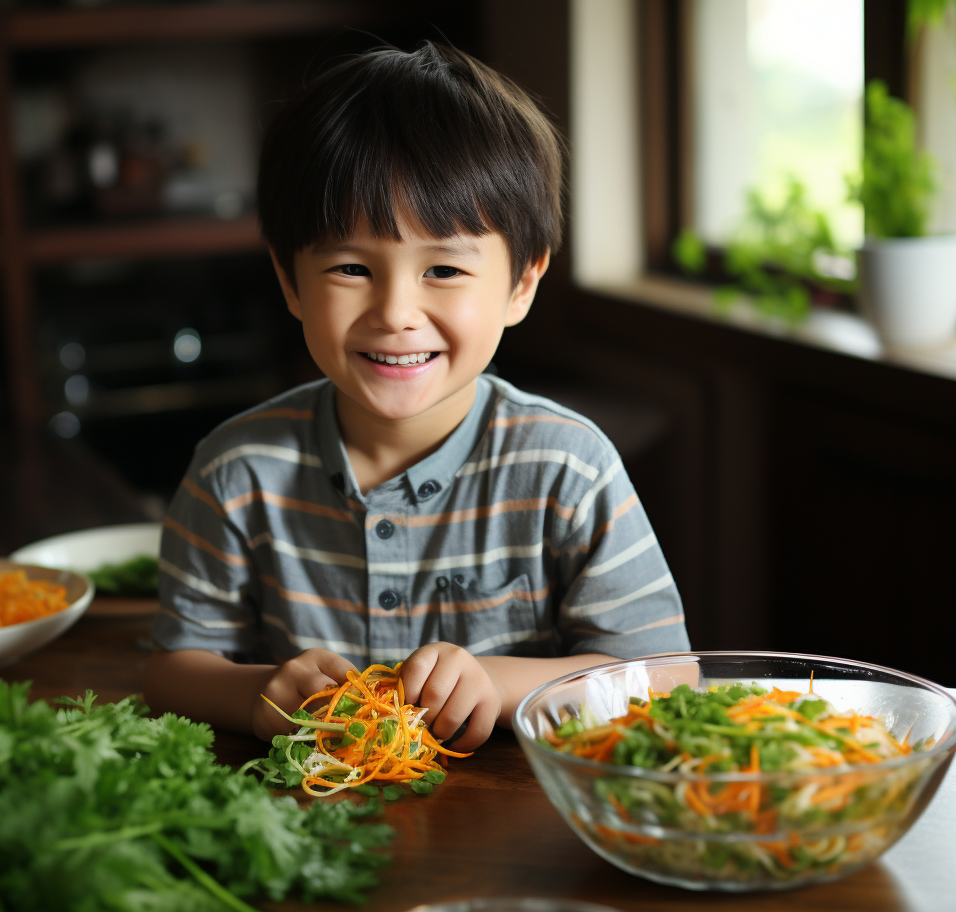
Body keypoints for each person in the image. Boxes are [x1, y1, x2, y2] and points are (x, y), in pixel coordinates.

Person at [141, 42, 688, 753]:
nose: (396, 311)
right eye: (349, 267)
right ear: (289, 281)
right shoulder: (237, 470)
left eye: (443, 268)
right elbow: (172, 670)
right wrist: (255, 693)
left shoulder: (567, 468)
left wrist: (498, 685)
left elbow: (666, 675)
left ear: (522, 283)